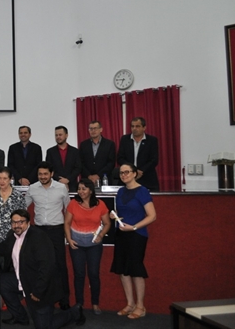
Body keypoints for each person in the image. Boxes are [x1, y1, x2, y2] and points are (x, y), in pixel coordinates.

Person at [0, 209, 85, 329]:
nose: (17, 225)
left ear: (28, 222)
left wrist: (38, 291)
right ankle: (20, 317)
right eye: (14, 222)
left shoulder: (38, 238)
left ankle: (75, 312)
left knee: (44, 326)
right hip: (24, 279)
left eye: (20, 222)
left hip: (43, 287)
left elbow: (47, 268)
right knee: (2, 281)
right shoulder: (13, 237)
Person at [110, 163, 157, 320]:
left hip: (137, 235)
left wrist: (134, 227)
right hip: (121, 234)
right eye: (121, 173)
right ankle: (130, 304)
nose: (124, 175)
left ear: (135, 173)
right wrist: (114, 215)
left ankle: (140, 306)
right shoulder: (121, 191)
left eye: (127, 172)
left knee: (136, 270)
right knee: (123, 270)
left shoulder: (142, 191)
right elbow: (122, 211)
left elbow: (152, 215)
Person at [25, 161, 70, 309]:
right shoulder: (32, 188)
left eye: (45, 174)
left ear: (51, 174)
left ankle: (64, 300)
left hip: (57, 230)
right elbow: (23, 208)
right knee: (41, 266)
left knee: (60, 265)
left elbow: (69, 209)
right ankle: (43, 298)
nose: (42, 177)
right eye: (40, 174)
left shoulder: (61, 188)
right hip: (39, 232)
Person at [64, 178, 111, 315]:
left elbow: (107, 223)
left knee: (94, 274)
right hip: (76, 244)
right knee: (79, 274)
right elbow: (66, 223)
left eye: (84, 188)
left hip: (94, 245)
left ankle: (95, 303)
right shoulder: (73, 203)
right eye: (79, 189)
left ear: (91, 190)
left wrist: (101, 235)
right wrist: (69, 239)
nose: (81, 191)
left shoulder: (100, 204)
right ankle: (79, 303)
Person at [117, 117, 159, 191]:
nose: (134, 128)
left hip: (147, 177)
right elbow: (120, 158)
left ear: (144, 127)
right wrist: (132, 170)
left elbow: (154, 160)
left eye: (137, 126)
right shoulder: (125, 139)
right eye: (132, 126)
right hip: (128, 176)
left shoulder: (152, 140)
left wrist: (141, 171)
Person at [79, 121, 116, 186]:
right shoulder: (83, 145)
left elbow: (111, 163)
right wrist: (89, 176)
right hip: (87, 180)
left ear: (101, 129)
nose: (93, 131)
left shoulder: (109, 144)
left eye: (95, 128)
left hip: (105, 179)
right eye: (91, 129)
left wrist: (98, 175)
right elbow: (80, 163)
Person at [45, 126, 81, 192]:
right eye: (56, 135)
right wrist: (60, 180)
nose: (58, 137)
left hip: (72, 186)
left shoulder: (75, 151)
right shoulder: (50, 152)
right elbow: (49, 169)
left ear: (66, 135)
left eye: (60, 135)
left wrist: (68, 179)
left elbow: (78, 168)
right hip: (55, 185)